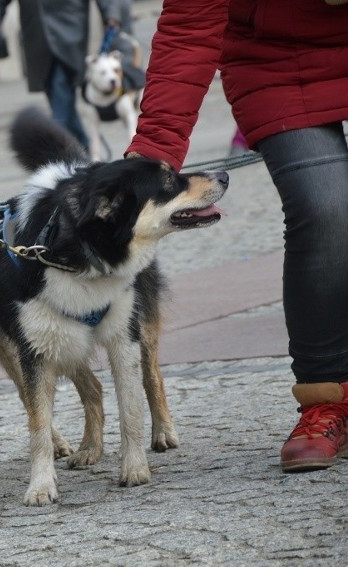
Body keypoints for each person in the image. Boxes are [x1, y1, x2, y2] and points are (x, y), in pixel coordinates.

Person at [126, 0, 348, 472]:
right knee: (326, 206)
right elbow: (189, 28)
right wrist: (152, 156)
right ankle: (326, 398)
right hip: (279, 64)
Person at [0, 0, 123, 150]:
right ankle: (82, 152)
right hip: (37, 37)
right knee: (62, 102)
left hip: (69, 29)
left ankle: (69, 155)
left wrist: (111, 15)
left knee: (61, 101)